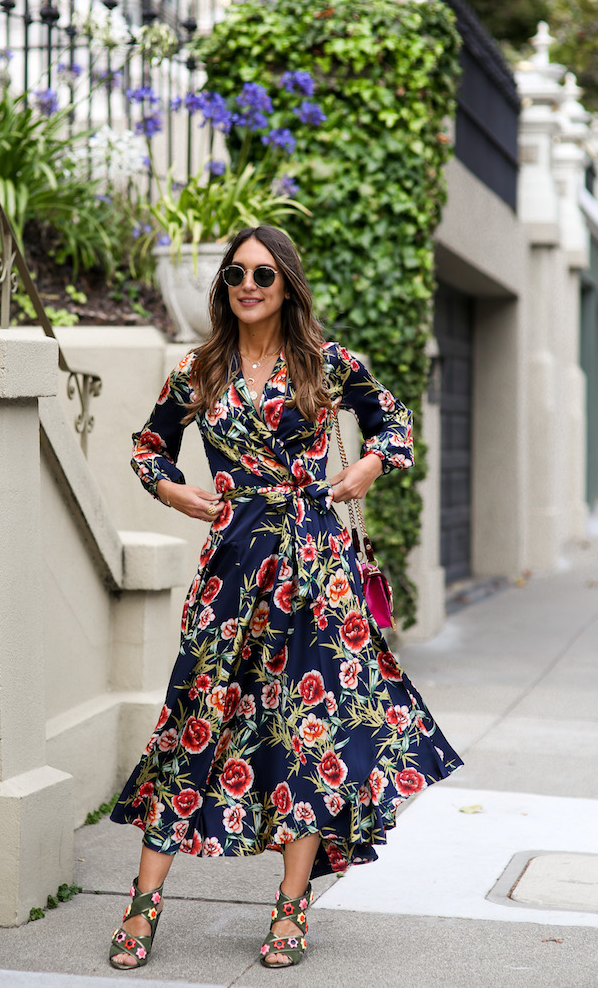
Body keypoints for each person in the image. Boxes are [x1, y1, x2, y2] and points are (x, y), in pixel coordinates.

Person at [108, 224, 462, 971]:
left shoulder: (327, 365)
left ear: (287, 285)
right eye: (235, 273)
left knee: (308, 731)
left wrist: (365, 469)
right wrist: (178, 495)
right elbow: (148, 446)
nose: (247, 285)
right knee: (195, 715)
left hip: (313, 565)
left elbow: (394, 424)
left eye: (263, 275)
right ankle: (142, 906)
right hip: (232, 563)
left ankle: (292, 907)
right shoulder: (201, 368)